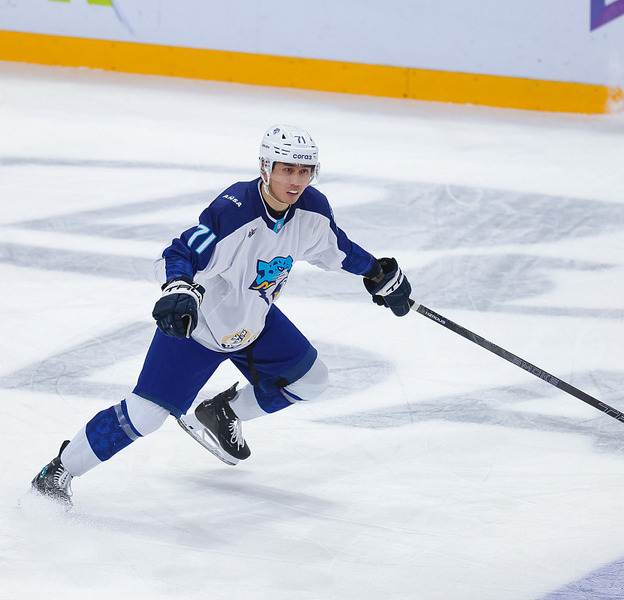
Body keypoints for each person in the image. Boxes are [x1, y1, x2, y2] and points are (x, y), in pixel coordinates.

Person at [31, 124, 412, 506]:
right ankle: (59, 471)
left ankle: (222, 412)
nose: (296, 181)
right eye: (287, 169)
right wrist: (178, 288)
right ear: (265, 167)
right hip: (198, 327)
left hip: (255, 322)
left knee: (312, 380)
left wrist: (377, 273)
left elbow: (337, 248)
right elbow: (179, 252)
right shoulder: (234, 211)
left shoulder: (312, 210)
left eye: (304, 170)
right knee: (145, 416)